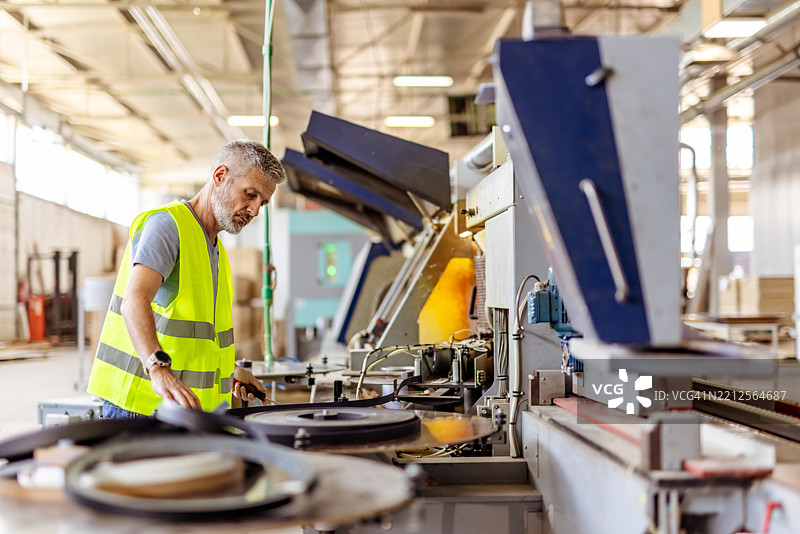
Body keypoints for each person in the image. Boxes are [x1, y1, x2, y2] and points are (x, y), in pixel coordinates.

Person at [87, 140, 286, 418]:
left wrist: (230, 372)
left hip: (185, 411)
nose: (254, 210)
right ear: (220, 176)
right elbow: (134, 300)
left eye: (261, 203)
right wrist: (157, 369)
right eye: (249, 194)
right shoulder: (168, 227)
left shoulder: (215, 250)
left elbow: (198, 339)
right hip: (142, 407)